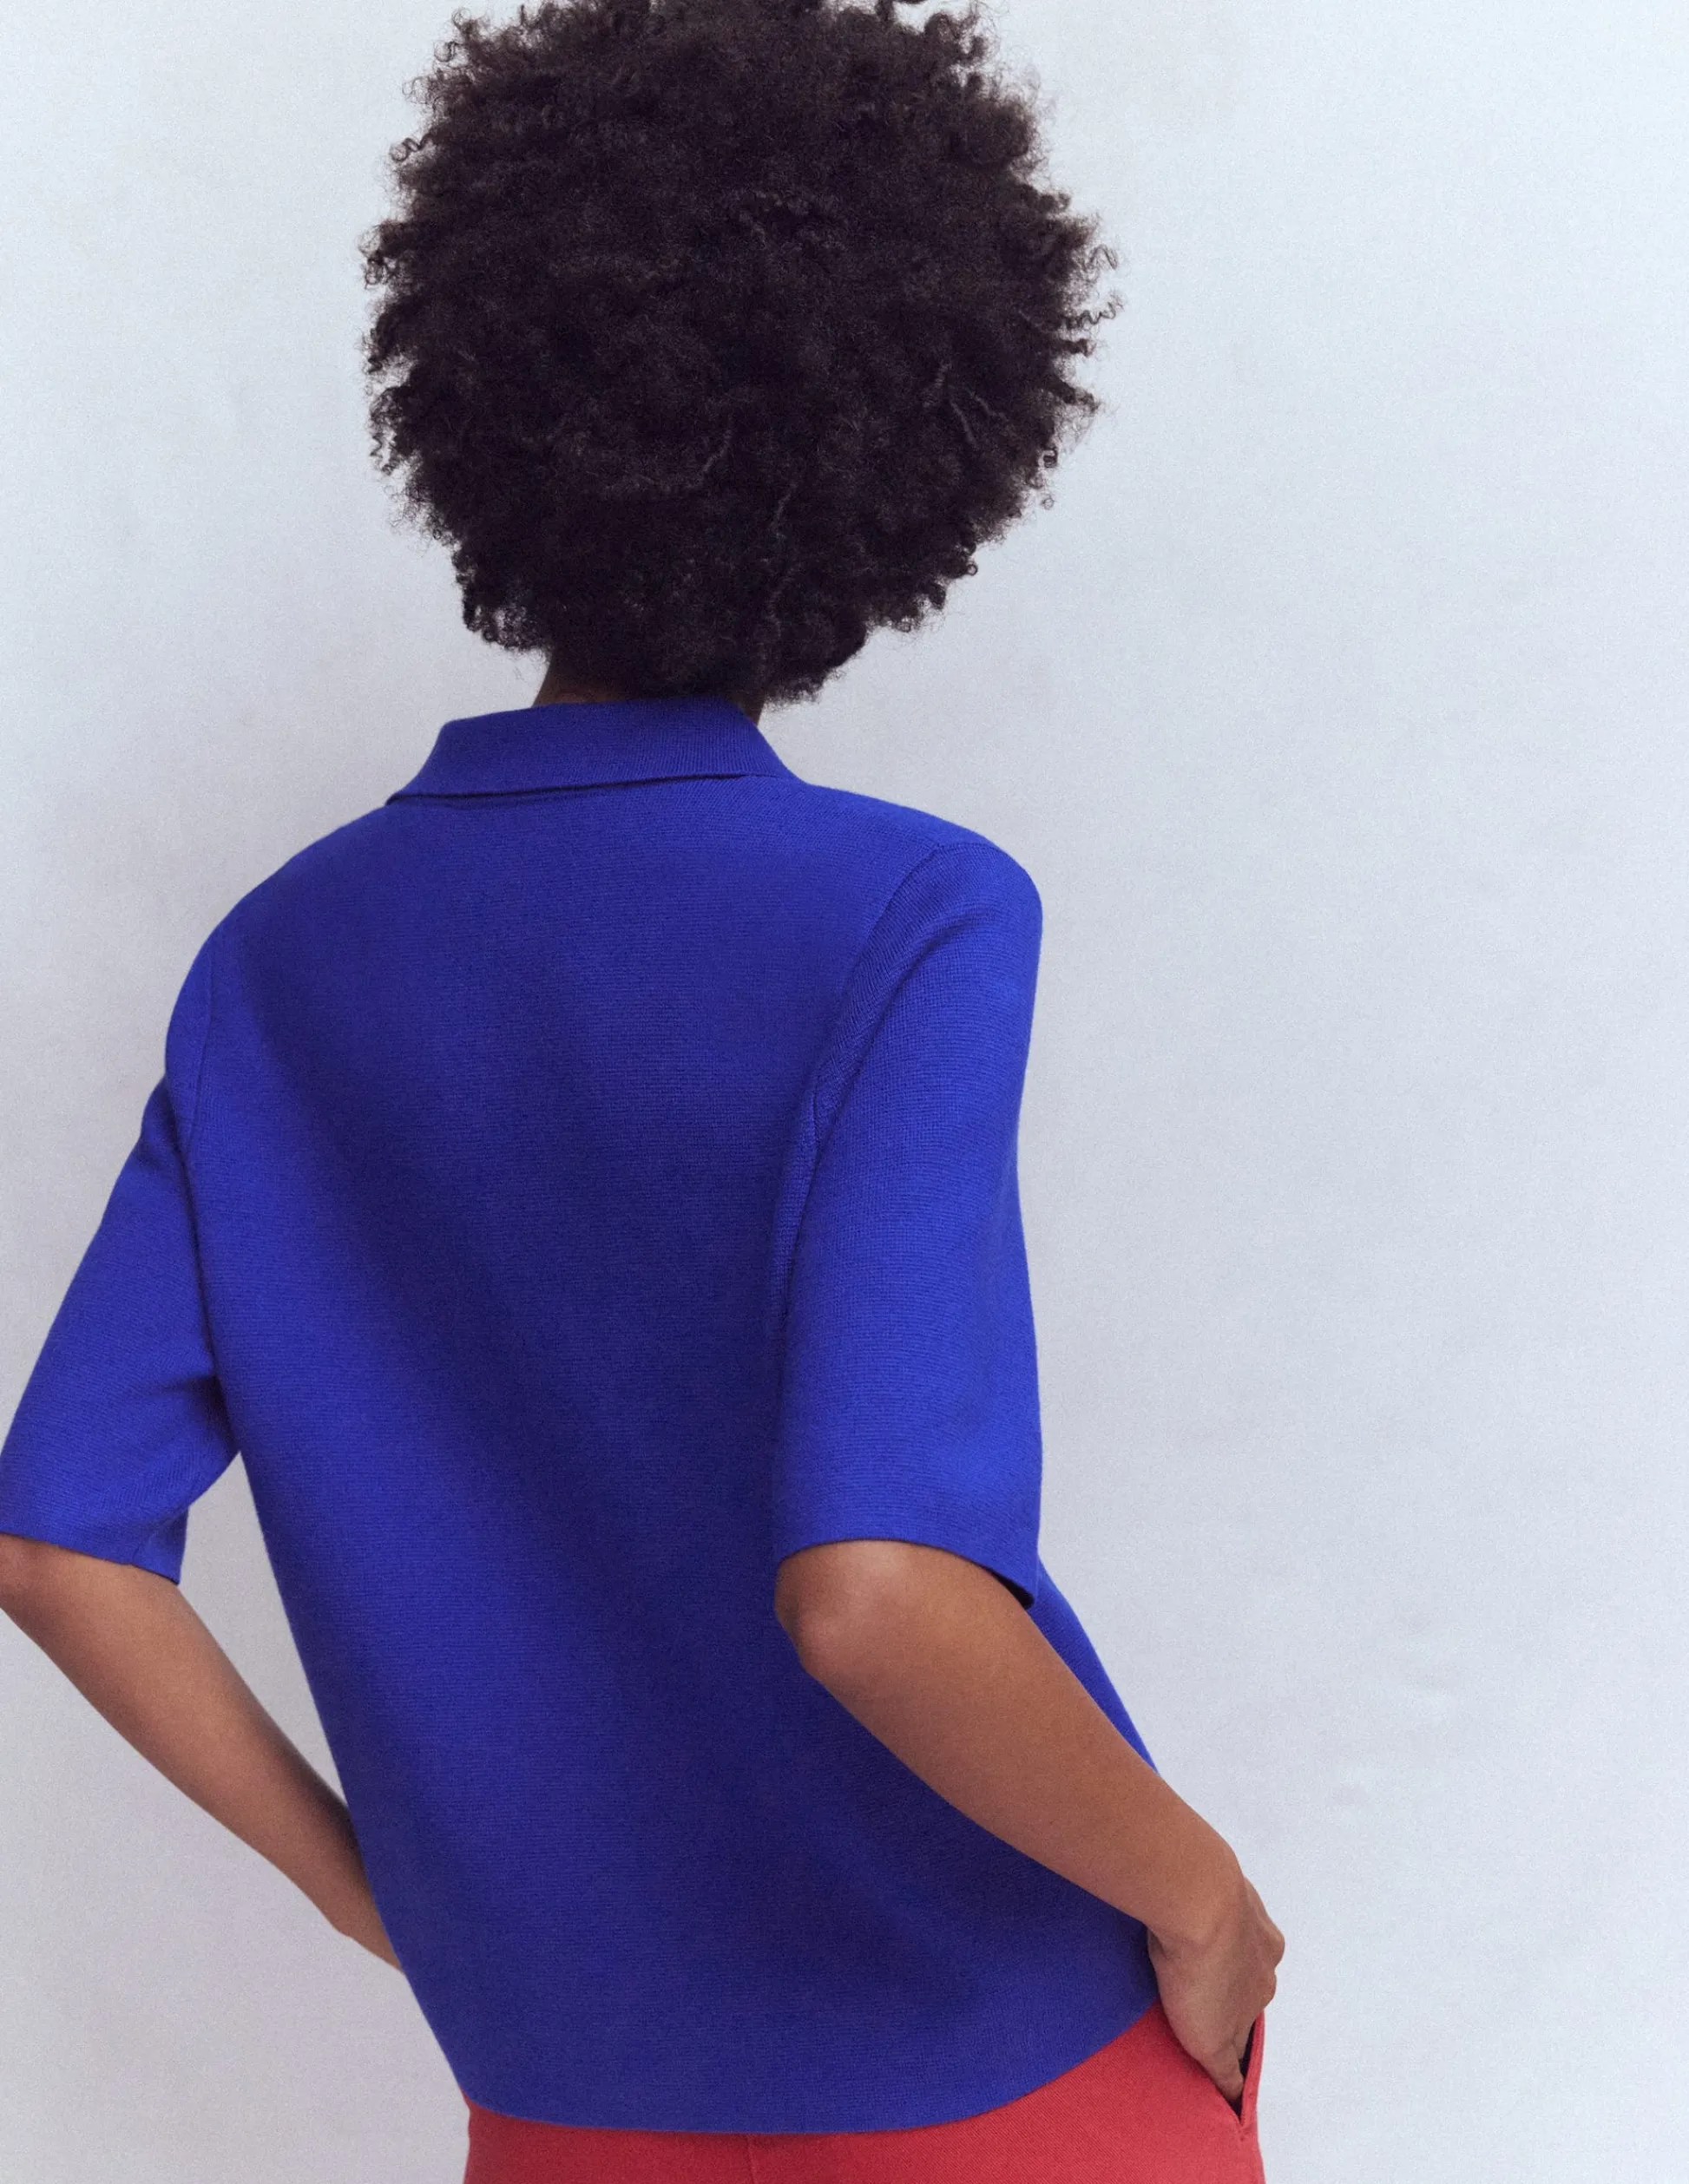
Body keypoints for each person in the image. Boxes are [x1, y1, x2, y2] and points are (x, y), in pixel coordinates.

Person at [0, 1, 1284, 2178]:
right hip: (998, 2062)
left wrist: (371, 1891)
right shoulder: (907, 916)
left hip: (561, 2093)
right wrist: (1199, 1889)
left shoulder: (279, 965)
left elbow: (57, 1539)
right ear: (902, 466)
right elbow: (874, 1594)